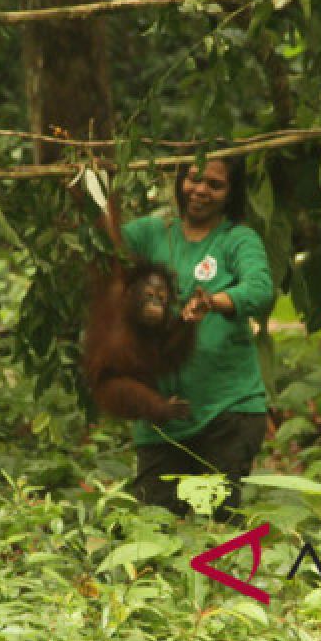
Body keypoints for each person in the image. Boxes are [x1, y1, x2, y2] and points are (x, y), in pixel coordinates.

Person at [120, 157, 274, 521]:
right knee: (154, 529)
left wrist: (216, 301)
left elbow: (260, 289)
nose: (200, 190)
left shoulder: (237, 239)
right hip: (161, 416)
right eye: (194, 179)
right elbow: (100, 242)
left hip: (227, 411)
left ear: (230, 194)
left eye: (215, 185)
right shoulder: (151, 233)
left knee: (217, 525)